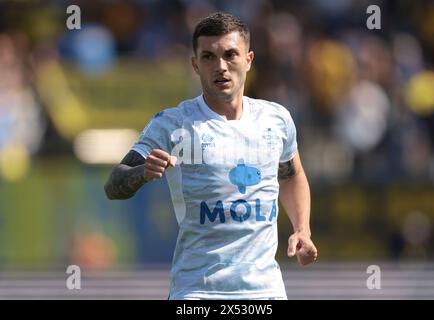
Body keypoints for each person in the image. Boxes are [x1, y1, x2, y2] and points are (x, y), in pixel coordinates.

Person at [104, 12, 317, 300]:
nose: (221, 67)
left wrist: (302, 229)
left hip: (265, 292)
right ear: (195, 64)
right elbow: (114, 184)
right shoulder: (173, 124)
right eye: (208, 57)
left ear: (249, 59)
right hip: (198, 291)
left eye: (230, 55)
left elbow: (292, 175)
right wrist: (141, 173)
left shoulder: (276, 119)